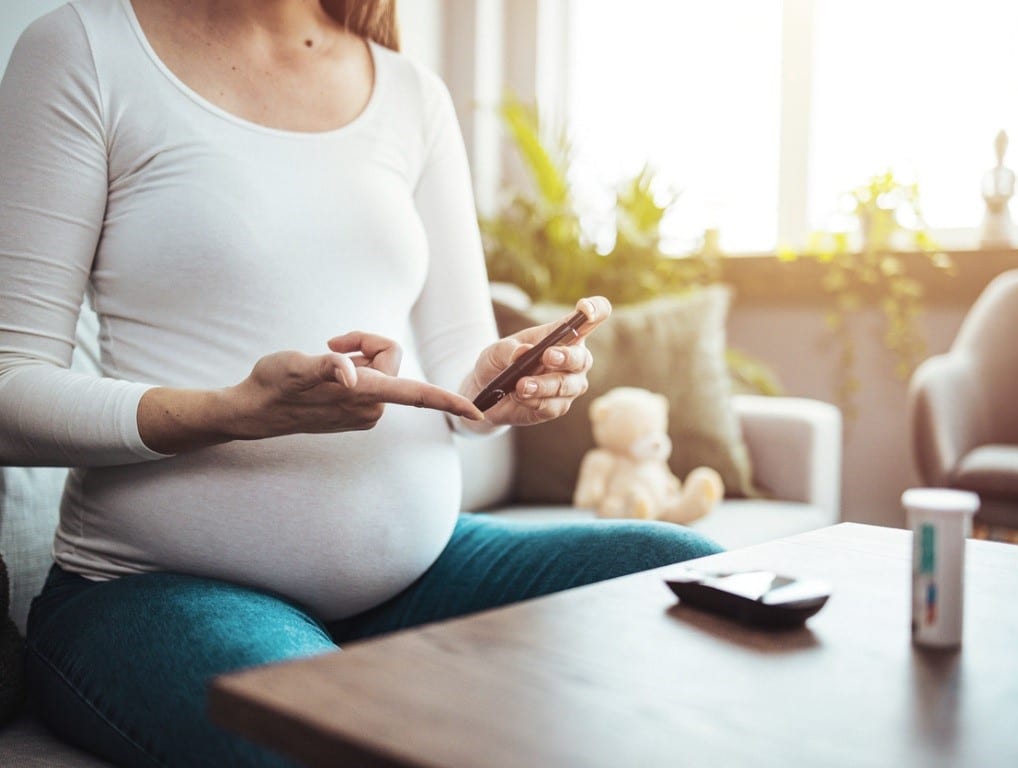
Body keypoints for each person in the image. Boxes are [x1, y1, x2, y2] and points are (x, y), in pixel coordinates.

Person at [0, 0, 722, 765]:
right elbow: (10, 394)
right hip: (153, 590)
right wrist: (234, 412)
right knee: (328, 732)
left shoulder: (412, 94)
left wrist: (496, 388)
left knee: (700, 583)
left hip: (422, 577)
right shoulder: (84, 49)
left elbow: (462, 373)